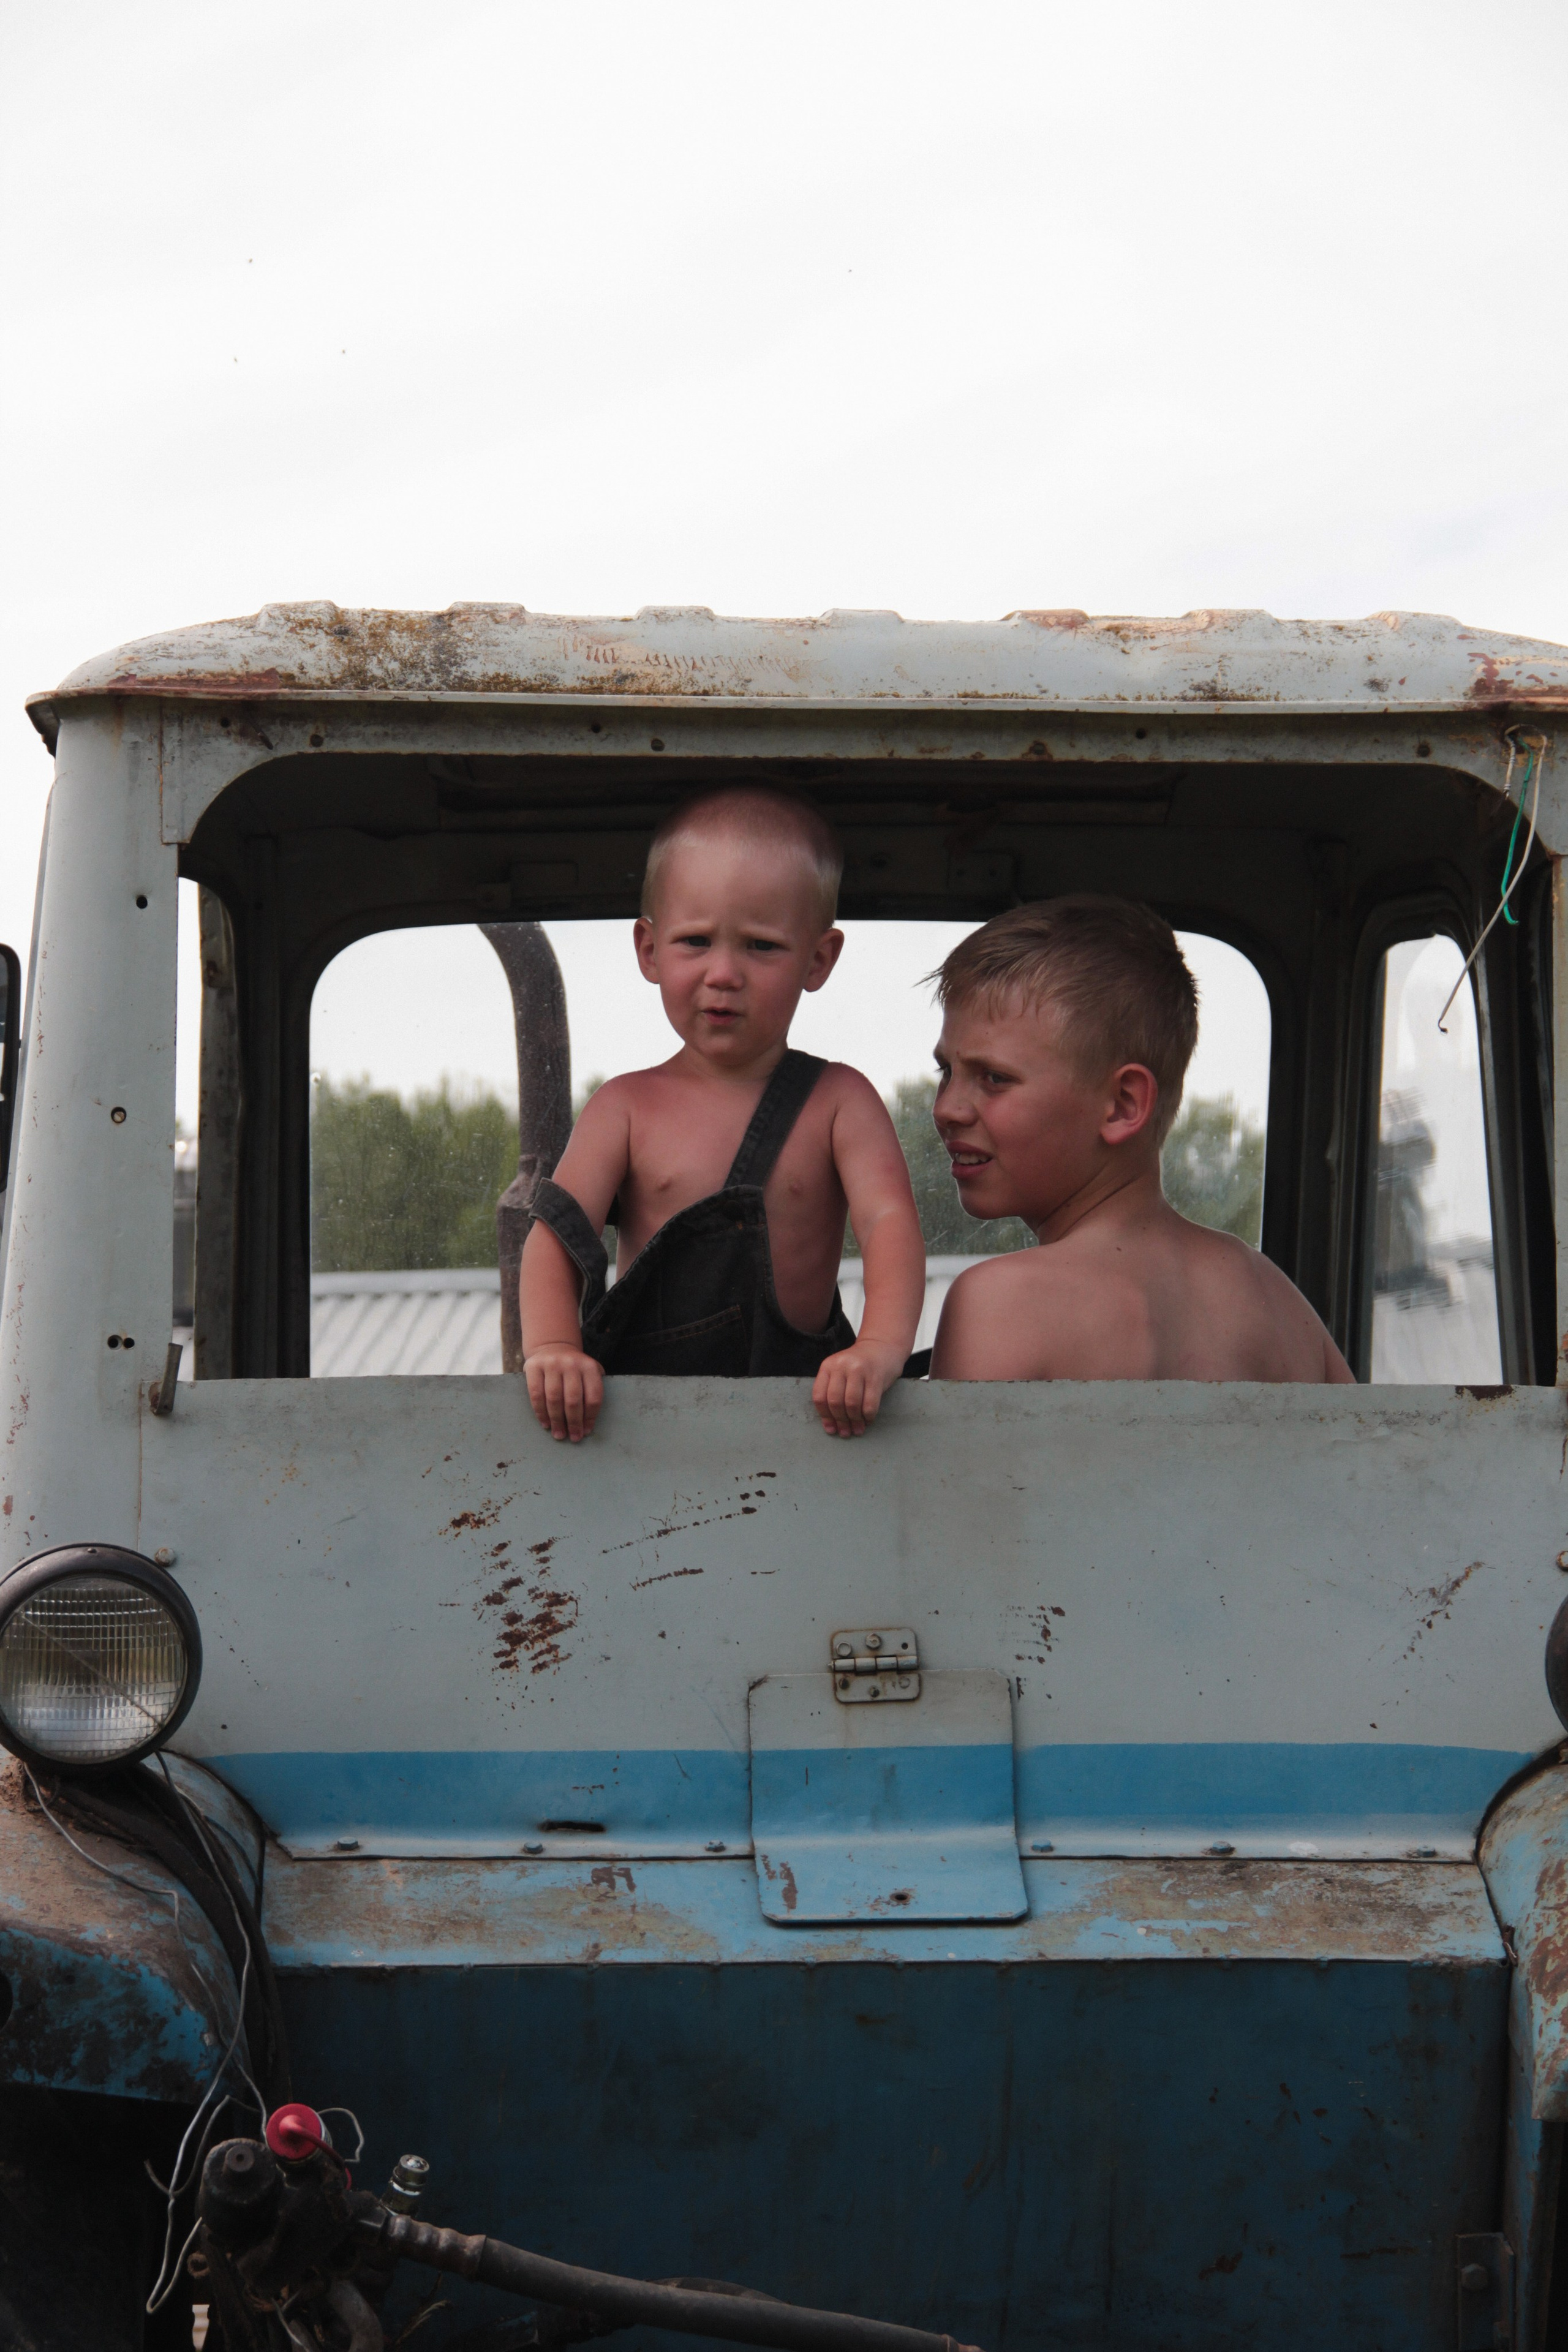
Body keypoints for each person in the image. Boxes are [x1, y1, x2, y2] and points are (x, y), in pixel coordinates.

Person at [521, 787, 927, 1442]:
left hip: (806, 1426)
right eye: (695, 941)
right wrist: (551, 1349)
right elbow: (558, 1239)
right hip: (637, 1431)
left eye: (761, 947)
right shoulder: (624, 1105)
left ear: (817, 960)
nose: (723, 973)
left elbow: (889, 1226)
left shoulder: (840, 1100)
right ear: (648, 950)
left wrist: (877, 1350)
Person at [928, 895, 1355, 1385]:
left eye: (994, 1078)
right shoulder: (1281, 1304)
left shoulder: (1000, 1302)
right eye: (946, 1071)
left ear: (1124, 1104)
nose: (946, 1109)